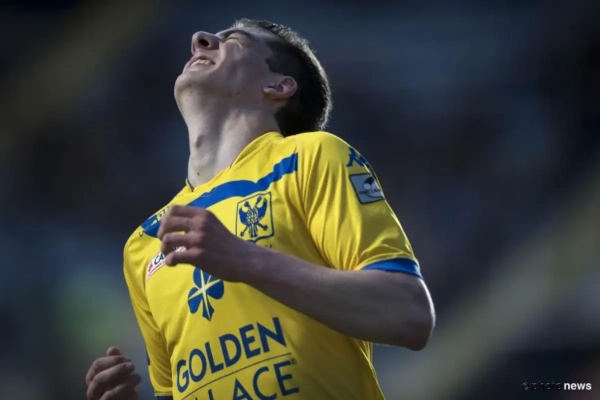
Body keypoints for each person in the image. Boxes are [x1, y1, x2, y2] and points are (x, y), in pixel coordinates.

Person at [85, 19, 435, 400]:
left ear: (278, 86)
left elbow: (410, 314)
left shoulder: (310, 158)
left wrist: (244, 259)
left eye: (233, 40)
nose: (200, 40)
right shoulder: (145, 243)